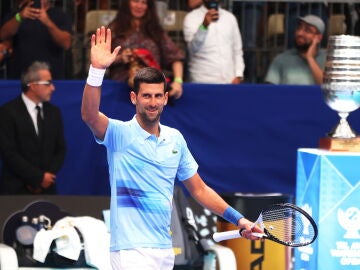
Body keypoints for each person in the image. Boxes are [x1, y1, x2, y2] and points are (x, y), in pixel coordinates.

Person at [81, 26, 262, 269]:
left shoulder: (175, 139)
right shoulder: (119, 134)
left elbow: (199, 190)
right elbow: (90, 115)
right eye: (146, 96)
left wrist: (239, 220)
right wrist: (97, 71)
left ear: (166, 98)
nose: (152, 102)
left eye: (158, 96)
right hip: (130, 251)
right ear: (134, 98)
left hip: (164, 250)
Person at [0, 61, 66, 194]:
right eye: (48, 83)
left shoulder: (54, 112)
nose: (53, 88)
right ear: (33, 85)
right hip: (16, 189)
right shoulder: (7, 112)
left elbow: (60, 149)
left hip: (47, 189)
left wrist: (46, 178)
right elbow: (8, 152)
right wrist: (37, 178)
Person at [108, 0, 184, 100]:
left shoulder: (156, 31)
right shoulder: (113, 29)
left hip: (153, 92)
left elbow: (175, 57)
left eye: (144, 3)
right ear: (127, 3)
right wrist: (120, 58)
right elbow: (98, 60)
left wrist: (178, 81)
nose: (140, 6)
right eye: (136, 1)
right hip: (120, 91)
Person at [0, 0, 72, 79]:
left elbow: (66, 44)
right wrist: (19, 17)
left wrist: (48, 22)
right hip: (20, 77)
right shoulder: (15, 14)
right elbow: (3, 35)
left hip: (50, 78)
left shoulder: (60, 15)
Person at [183, 0, 245, 84]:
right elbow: (192, 50)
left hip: (229, 82)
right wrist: (204, 26)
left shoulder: (230, 18)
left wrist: (238, 75)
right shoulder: (191, 17)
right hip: (202, 82)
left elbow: (237, 50)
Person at [264, 14, 326, 85]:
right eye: (299, 28)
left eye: (307, 30)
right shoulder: (281, 59)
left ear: (319, 38)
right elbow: (269, 92)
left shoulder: (327, 59)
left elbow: (330, 89)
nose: (300, 33)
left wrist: (310, 58)